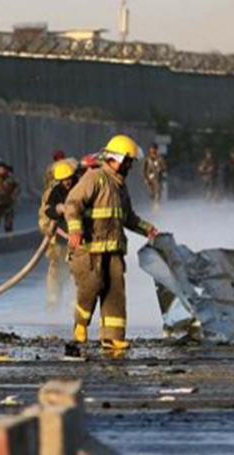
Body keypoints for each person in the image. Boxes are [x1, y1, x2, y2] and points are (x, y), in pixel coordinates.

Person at [65, 134, 158, 352]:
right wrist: (76, 230)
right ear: (116, 158)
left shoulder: (120, 186)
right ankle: (80, 322)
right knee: (91, 286)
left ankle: (113, 337)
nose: (130, 166)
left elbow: (128, 217)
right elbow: (73, 203)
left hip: (114, 249)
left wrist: (147, 229)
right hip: (89, 249)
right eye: (128, 161)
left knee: (115, 293)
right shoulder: (95, 178)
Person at [42, 160, 78, 311]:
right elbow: (47, 211)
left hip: (78, 236)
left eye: (69, 178)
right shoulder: (55, 191)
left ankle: (73, 300)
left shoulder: (79, 187)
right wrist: (57, 209)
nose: (68, 182)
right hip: (61, 237)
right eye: (64, 180)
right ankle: (54, 301)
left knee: (75, 269)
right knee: (57, 268)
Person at [0, 163, 20, 234]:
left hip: (8, 203)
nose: (1, 171)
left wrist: (13, 196)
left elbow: (17, 188)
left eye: (3, 169)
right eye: (0, 169)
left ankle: (9, 237)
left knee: (8, 222)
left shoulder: (10, 179)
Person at [143, 143, 168, 212]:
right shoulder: (147, 159)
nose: (153, 151)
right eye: (151, 149)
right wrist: (145, 178)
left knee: (157, 194)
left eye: (154, 149)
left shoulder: (160, 159)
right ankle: (153, 205)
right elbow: (144, 169)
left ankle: (156, 208)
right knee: (151, 194)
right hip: (149, 180)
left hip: (157, 179)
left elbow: (165, 167)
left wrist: (160, 168)